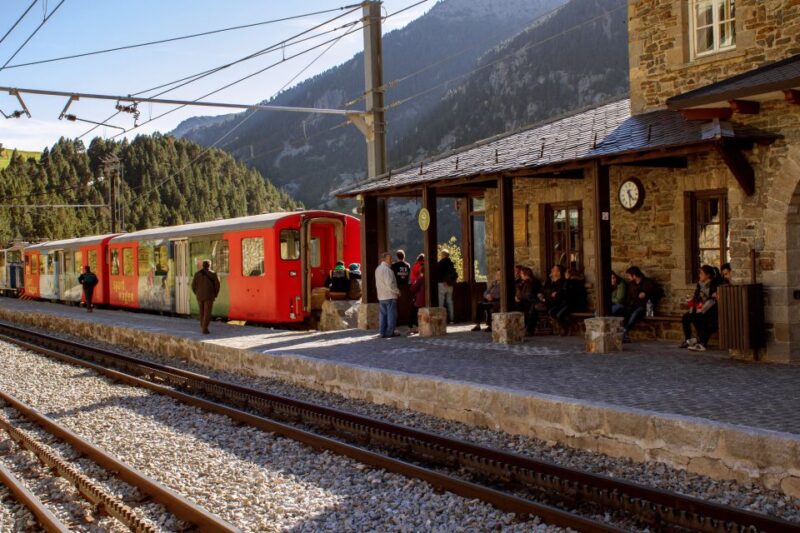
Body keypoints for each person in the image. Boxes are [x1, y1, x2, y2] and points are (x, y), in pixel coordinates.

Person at [680, 265, 721, 352]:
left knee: (699, 317)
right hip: (700, 308)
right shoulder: (700, 284)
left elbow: (713, 298)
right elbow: (696, 296)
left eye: (701, 273)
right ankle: (689, 339)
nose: (699, 275)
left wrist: (705, 297)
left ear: (708, 275)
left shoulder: (714, 283)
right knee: (686, 317)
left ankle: (701, 341)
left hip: (711, 309)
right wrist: (693, 300)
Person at [622, 266, 662, 341]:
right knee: (626, 312)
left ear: (634, 275)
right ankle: (623, 334)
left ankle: (624, 331)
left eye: (629, 275)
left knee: (635, 314)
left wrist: (646, 294)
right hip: (634, 305)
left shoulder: (648, 282)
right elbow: (629, 298)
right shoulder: (631, 284)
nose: (628, 277)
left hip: (646, 306)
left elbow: (658, 293)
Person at [191, 260, 220, 335]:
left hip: (199, 296)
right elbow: (217, 286)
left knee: (201, 312)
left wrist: (197, 293)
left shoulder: (197, 274)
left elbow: (193, 286)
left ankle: (203, 326)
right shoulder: (213, 274)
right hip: (209, 296)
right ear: (209, 265)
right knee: (207, 312)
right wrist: (215, 294)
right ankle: (205, 328)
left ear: (202, 265)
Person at [375, 252, 400, 338]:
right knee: (391, 316)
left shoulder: (378, 269)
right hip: (390, 295)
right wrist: (397, 291)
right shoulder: (387, 270)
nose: (391, 260)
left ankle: (382, 332)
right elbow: (390, 284)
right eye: (390, 259)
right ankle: (389, 332)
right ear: (384, 259)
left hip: (381, 296)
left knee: (383, 316)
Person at [436, 249, 458, 323]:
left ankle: (442, 319)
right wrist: (450, 282)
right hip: (450, 285)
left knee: (441, 302)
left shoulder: (440, 263)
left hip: (442, 284)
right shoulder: (451, 263)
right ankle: (452, 319)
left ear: (442, 255)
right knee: (450, 302)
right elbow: (455, 274)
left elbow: (438, 274)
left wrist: (443, 281)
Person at [408, 264, 426, 334]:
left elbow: (412, 289)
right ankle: (416, 327)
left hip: (421, 301)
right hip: (427, 301)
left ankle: (411, 327)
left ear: (421, 271)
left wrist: (414, 282)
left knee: (412, 310)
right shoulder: (429, 278)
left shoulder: (421, 279)